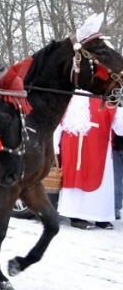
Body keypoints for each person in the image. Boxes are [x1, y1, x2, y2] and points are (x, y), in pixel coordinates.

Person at [54, 93, 123, 230]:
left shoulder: (105, 102)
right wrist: (55, 147)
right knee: (74, 180)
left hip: (99, 151)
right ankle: (75, 217)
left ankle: (101, 217)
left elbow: (120, 128)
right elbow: (58, 125)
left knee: (102, 184)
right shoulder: (72, 100)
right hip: (73, 150)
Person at [113, 133, 123, 221]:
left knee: (116, 180)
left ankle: (115, 209)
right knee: (116, 181)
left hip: (118, 146)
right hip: (118, 146)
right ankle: (115, 209)